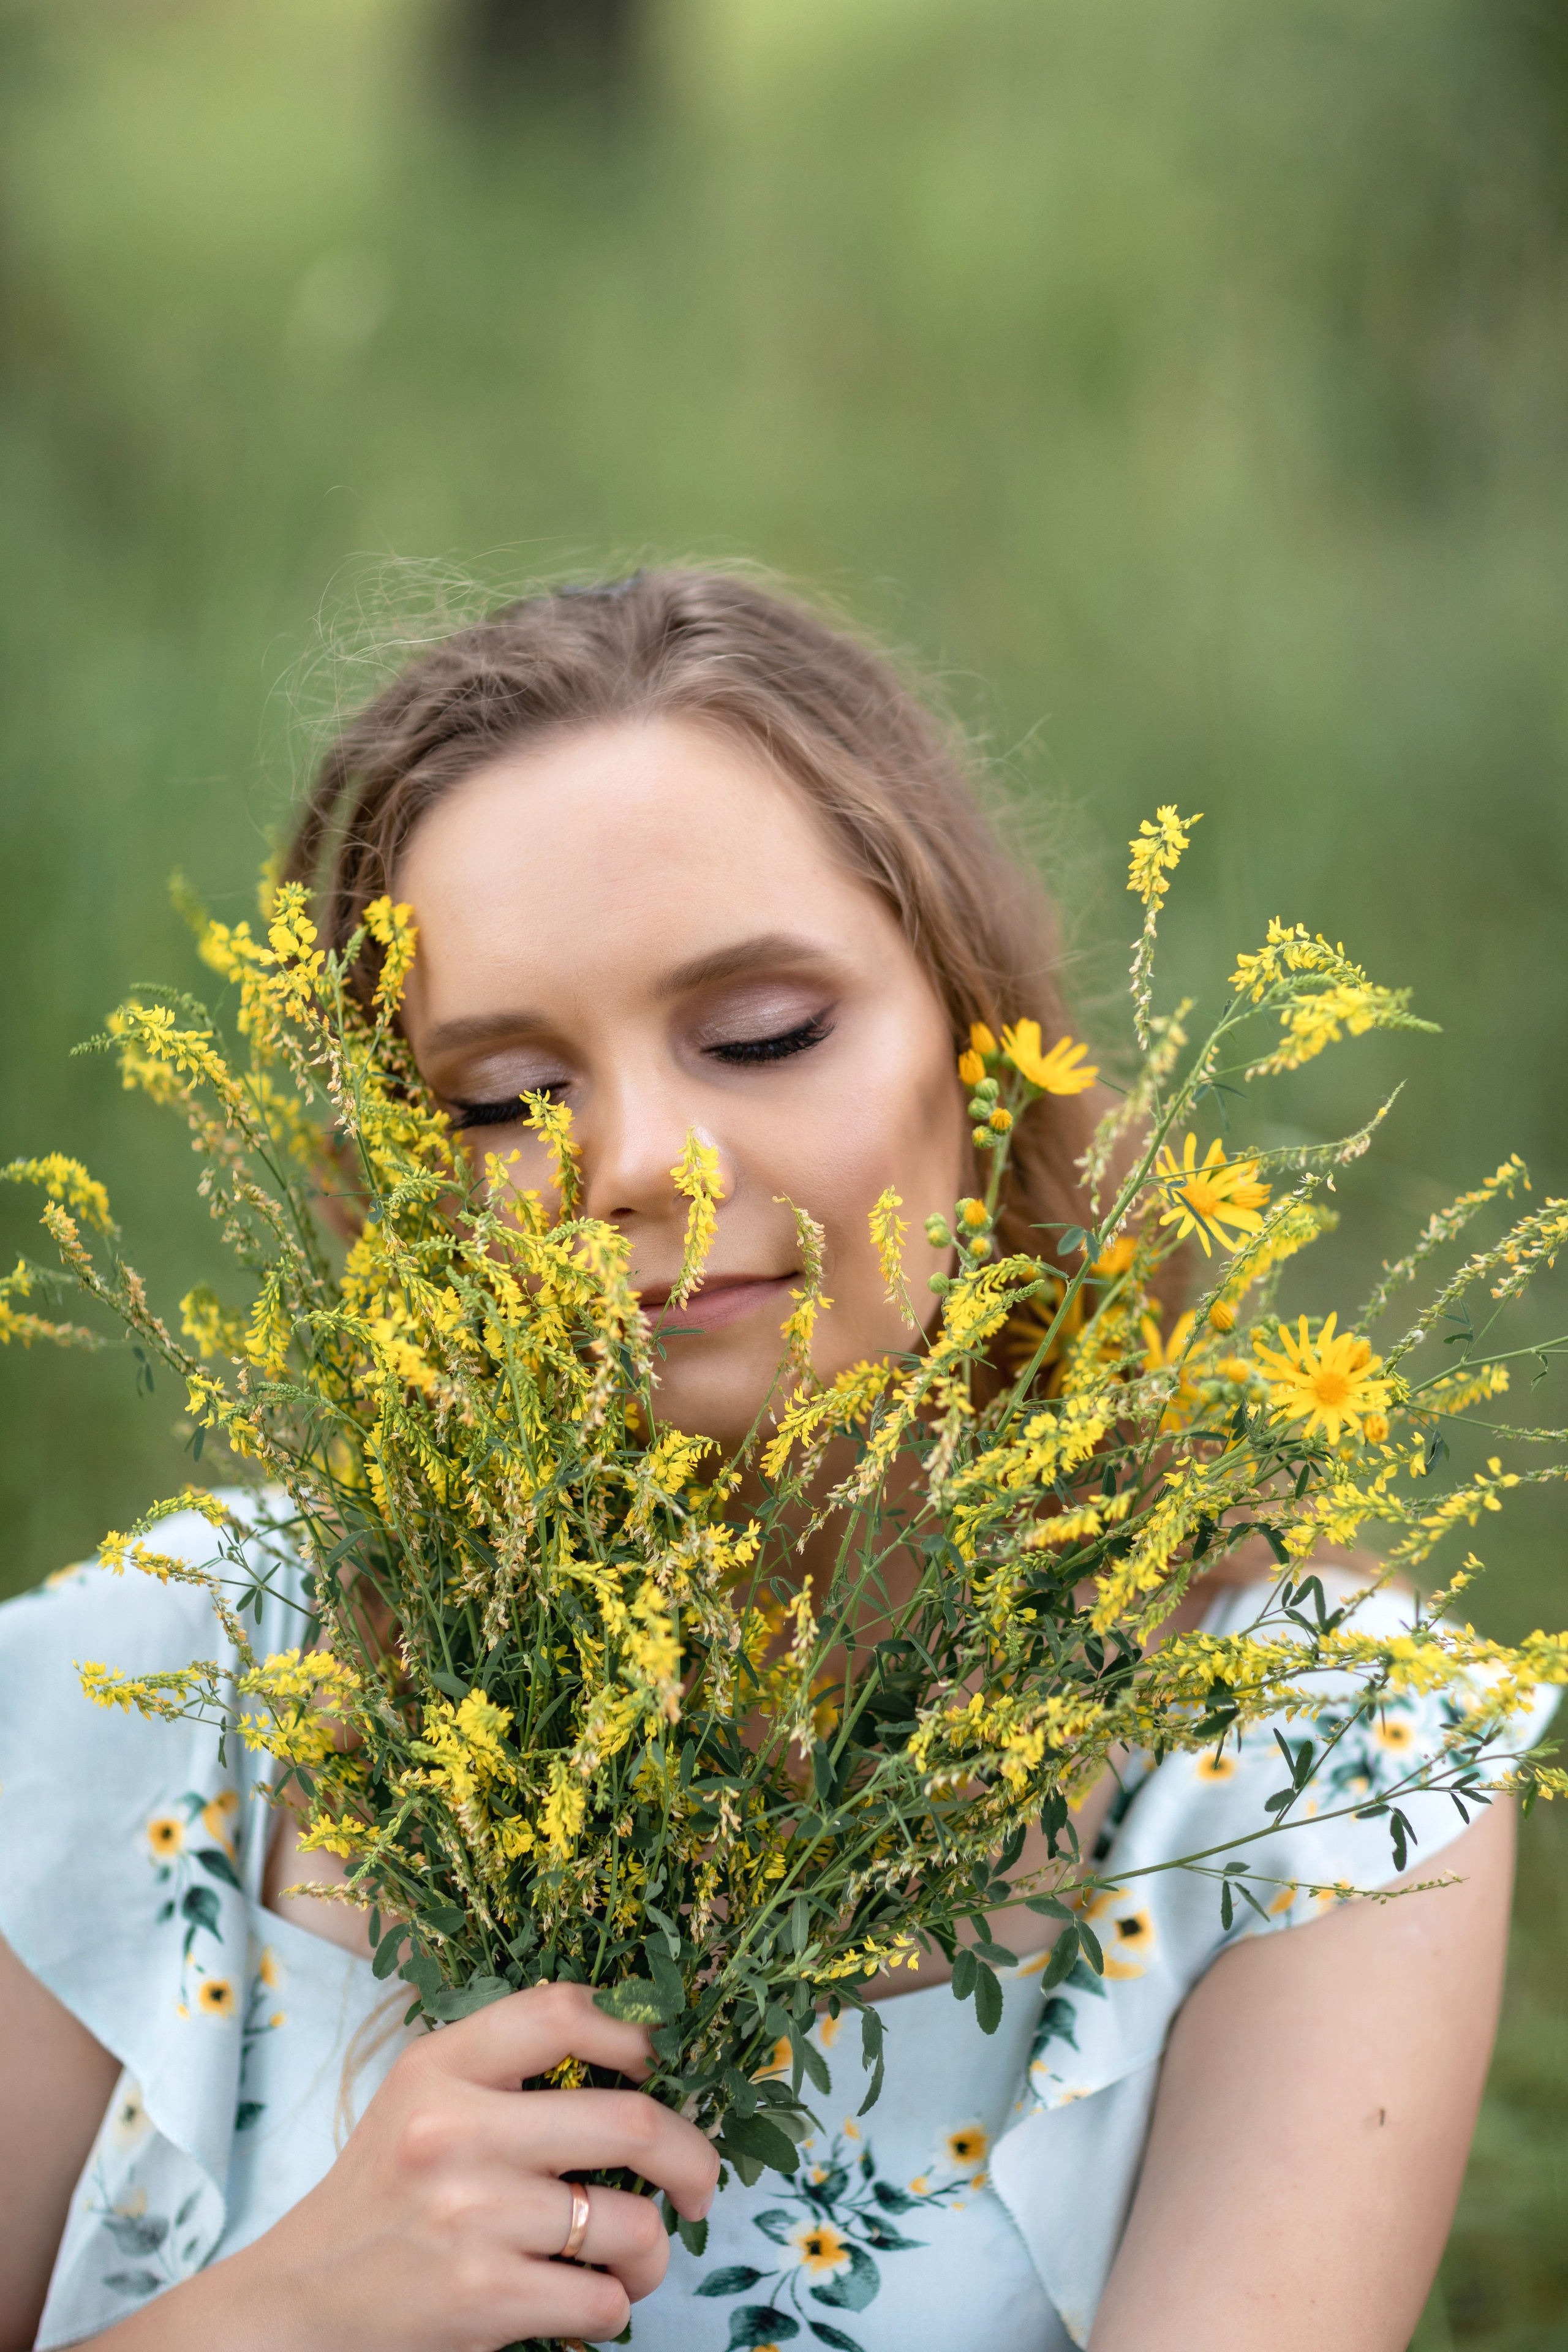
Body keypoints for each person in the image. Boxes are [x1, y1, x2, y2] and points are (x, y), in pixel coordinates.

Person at [0, 570, 1542, 2352]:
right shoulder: (158, 1687)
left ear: (977, 1061)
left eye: (760, 1037)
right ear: (401, 1187)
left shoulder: (1314, 1760)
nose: (647, 1160)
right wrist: (275, 2323)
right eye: (502, 1096)